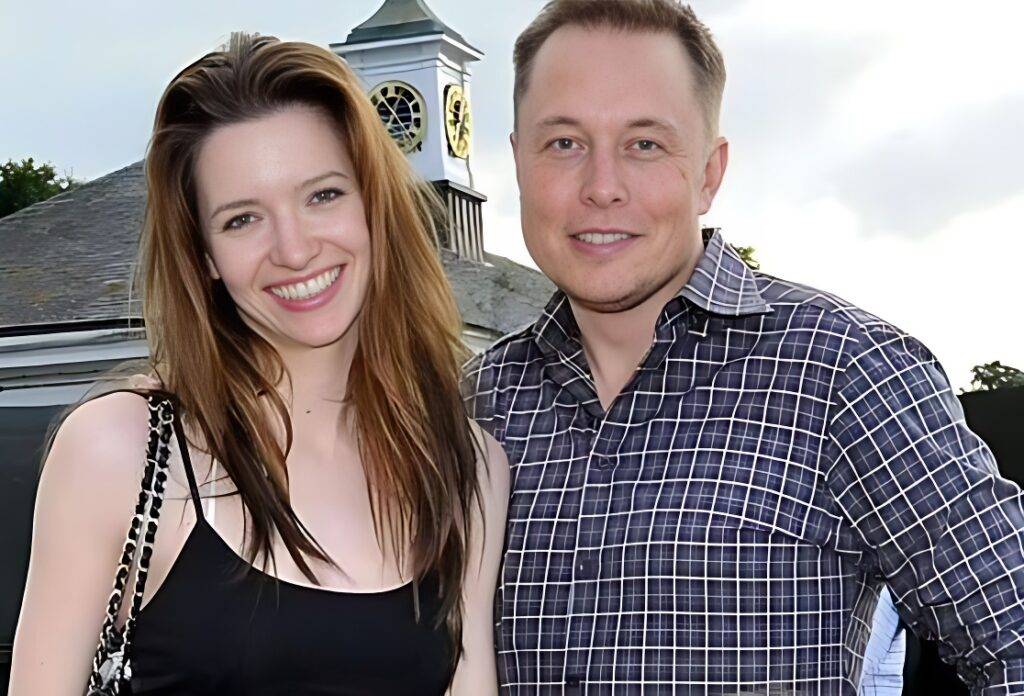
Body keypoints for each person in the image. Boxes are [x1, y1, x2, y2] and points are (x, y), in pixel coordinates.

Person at [463, 1, 1024, 694]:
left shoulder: (847, 373)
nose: (602, 187)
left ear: (709, 172)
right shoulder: (473, 405)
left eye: (645, 144)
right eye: (564, 143)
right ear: (518, 162)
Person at [11, 34, 508, 695]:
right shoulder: (120, 453)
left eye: (322, 195)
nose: (294, 250)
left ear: (374, 206)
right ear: (205, 257)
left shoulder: (465, 468)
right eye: (243, 219)